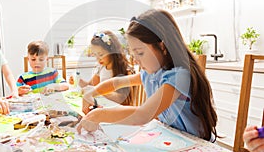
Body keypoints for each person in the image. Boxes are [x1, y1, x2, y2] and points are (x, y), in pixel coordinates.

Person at [77, 9, 218, 142]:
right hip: (174, 138)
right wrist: (92, 92)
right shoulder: (150, 73)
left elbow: (143, 114)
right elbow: (117, 83)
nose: (136, 60)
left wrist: (99, 115)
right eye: (133, 54)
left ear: (162, 47)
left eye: (140, 53)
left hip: (196, 145)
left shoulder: (179, 76)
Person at [78, 30, 134, 105]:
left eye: (101, 54)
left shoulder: (125, 69)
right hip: (103, 106)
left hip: (118, 111)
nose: (98, 59)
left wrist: (99, 91)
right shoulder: (101, 67)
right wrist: (79, 81)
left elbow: (123, 99)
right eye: (95, 55)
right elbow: (91, 85)